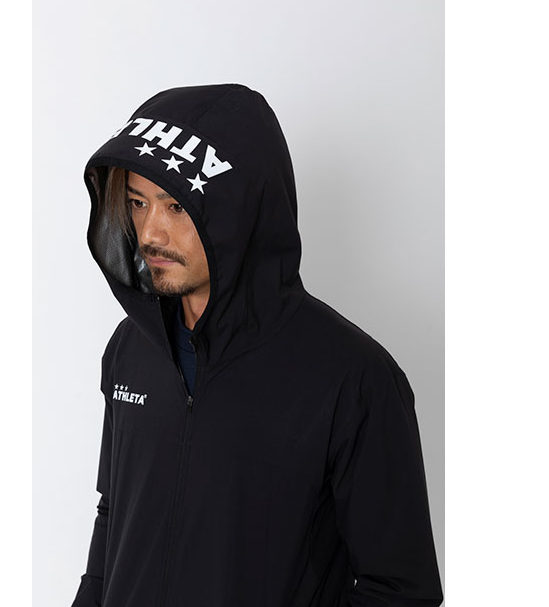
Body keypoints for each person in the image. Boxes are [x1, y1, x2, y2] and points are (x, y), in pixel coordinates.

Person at [70, 83, 444, 607]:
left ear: (242, 213)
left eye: (177, 206)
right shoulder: (131, 348)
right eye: (137, 202)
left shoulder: (354, 379)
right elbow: (114, 515)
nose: (150, 232)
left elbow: (400, 590)